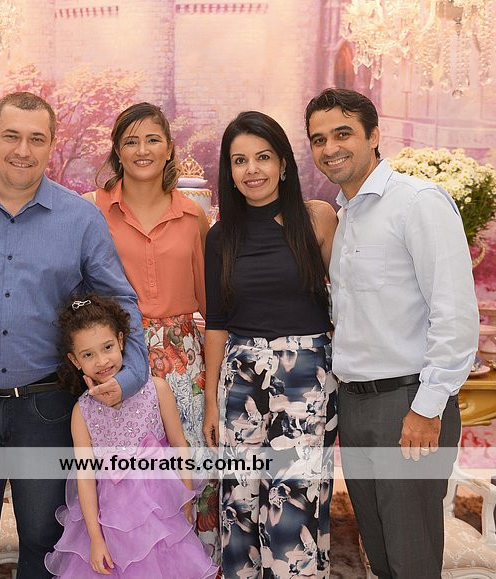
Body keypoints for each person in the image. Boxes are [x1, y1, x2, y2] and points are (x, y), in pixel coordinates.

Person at [0, 91, 149, 579]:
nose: (23, 150)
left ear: (52, 145)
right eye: (12, 136)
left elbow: (121, 301)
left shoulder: (80, 219)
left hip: (48, 408)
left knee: (45, 538)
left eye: (37, 139)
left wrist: (130, 375)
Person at [304, 88, 479, 578]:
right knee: (380, 558)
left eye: (343, 133)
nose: (330, 148)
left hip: (407, 405)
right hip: (356, 405)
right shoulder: (345, 217)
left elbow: (455, 313)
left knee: (411, 558)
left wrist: (427, 408)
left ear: (374, 136)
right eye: (319, 139)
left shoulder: (418, 203)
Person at [202, 111, 339, 577]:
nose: (252, 169)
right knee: (239, 502)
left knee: (294, 504)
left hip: (306, 377)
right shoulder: (220, 236)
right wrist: (211, 402)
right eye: (239, 160)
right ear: (229, 171)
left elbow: (348, 301)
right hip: (241, 375)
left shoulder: (318, 218)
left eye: (262, 157)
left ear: (283, 163)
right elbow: (216, 322)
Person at [85, 102, 219, 560]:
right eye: (131, 141)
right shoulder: (92, 209)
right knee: (127, 485)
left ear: (169, 150)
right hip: (117, 359)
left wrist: (213, 389)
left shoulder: (193, 215)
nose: (142, 150)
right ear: (117, 151)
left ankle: (196, 565)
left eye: (152, 140)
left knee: (189, 476)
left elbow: (211, 306)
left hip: (184, 362)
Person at [45, 295, 218, 578]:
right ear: (74, 360)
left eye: (107, 347)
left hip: (161, 514)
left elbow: (179, 446)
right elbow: (85, 477)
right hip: (109, 522)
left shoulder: (156, 389)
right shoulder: (82, 412)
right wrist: (96, 538)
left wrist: (185, 499)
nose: (102, 361)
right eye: (88, 355)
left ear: (122, 341)